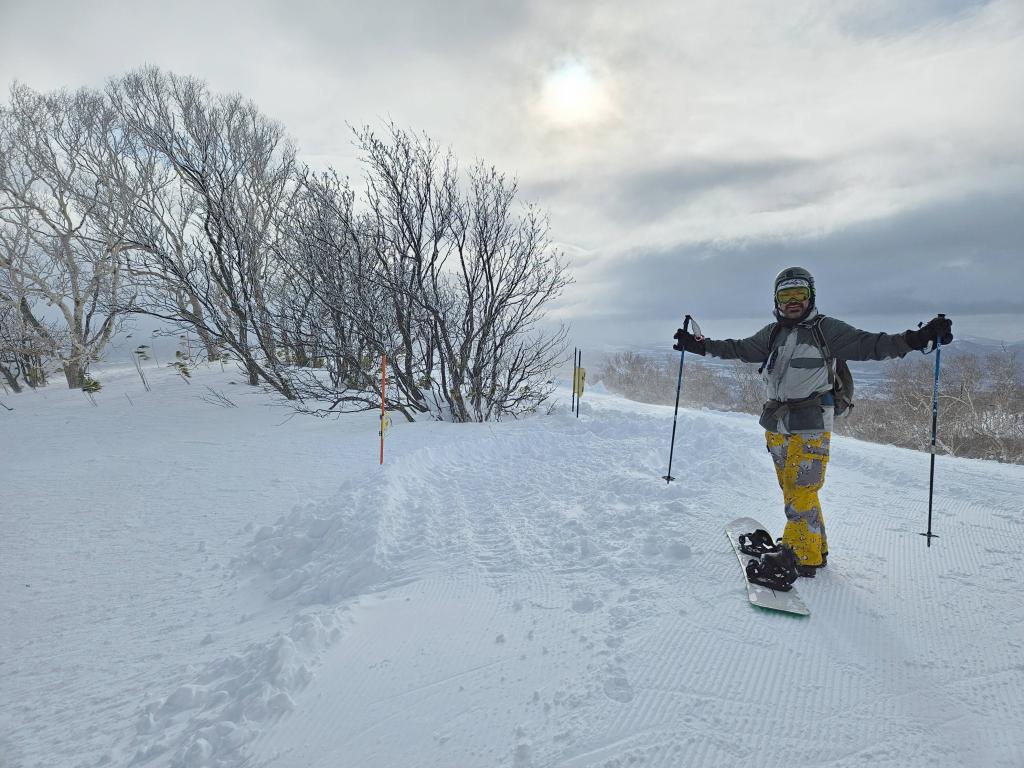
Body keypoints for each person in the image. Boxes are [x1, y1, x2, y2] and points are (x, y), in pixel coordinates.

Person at [672, 266, 953, 576]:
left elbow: (872, 344)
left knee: (800, 486)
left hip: (812, 421)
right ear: (777, 299)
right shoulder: (773, 333)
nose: (793, 301)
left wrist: (918, 338)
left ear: (811, 296)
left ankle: (800, 554)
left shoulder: (827, 330)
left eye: (800, 294)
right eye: (786, 294)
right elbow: (738, 349)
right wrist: (699, 346)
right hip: (777, 422)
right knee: (793, 488)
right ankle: (814, 547)